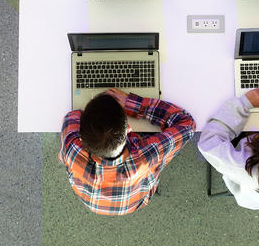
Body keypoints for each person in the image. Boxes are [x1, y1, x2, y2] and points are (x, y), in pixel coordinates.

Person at [59, 88, 195, 215]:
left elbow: (72, 116)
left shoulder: (72, 149)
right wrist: (132, 104)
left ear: (81, 138)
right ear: (128, 128)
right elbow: (187, 123)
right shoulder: (147, 155)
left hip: (94, 203)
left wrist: (95, 114)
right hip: (138, 201)